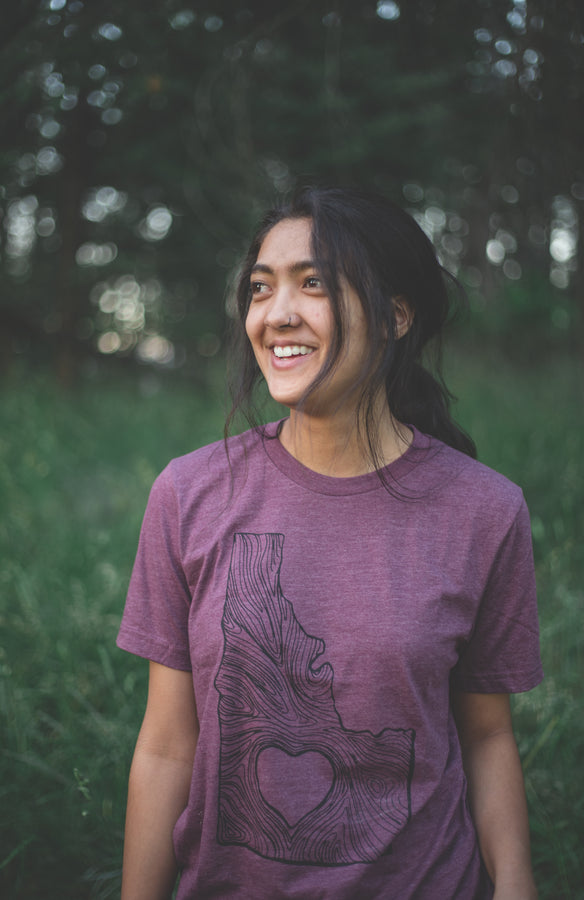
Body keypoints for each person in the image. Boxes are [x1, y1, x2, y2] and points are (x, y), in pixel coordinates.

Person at [117, 185, 543, 899]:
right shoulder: (188, 495)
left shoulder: (484, 511)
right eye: (261, 288)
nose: (276, 313)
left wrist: (517, 885)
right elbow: (166, 745)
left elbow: (488, 736)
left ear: (396, 315)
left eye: (313, 283)